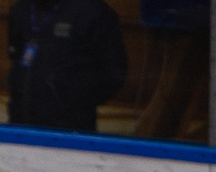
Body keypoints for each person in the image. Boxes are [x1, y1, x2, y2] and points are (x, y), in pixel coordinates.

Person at [7, 0, 128, 133]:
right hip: (20, 127)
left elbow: (114, 73)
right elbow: (16, 55)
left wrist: (75, 101)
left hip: (70, 130)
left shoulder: (94, 12)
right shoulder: (21, 10)